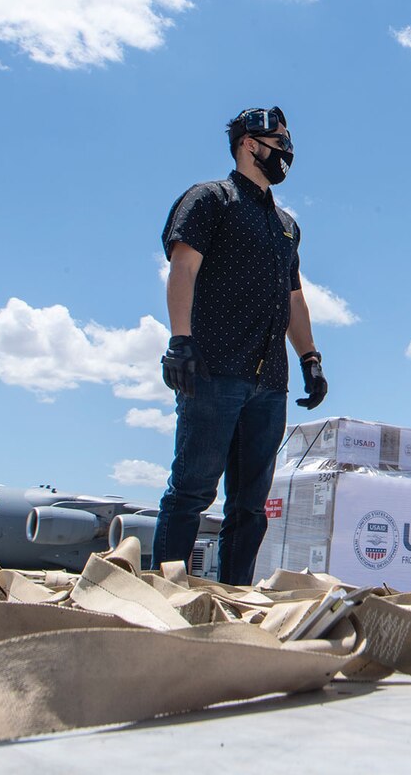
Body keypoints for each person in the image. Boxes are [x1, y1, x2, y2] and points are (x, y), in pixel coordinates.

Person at [152, 106, 328, 584]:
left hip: (269, 382)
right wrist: (180, 342)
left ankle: (234, 598)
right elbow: (183, 268)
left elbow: (294, 298)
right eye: (280, 143)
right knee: (191, 490)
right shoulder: (210, 199)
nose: (287, 153)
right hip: (213, 369)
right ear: (250, 145)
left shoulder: (287, 225)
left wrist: (310, 358)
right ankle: (159, 596)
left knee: (250, 506)